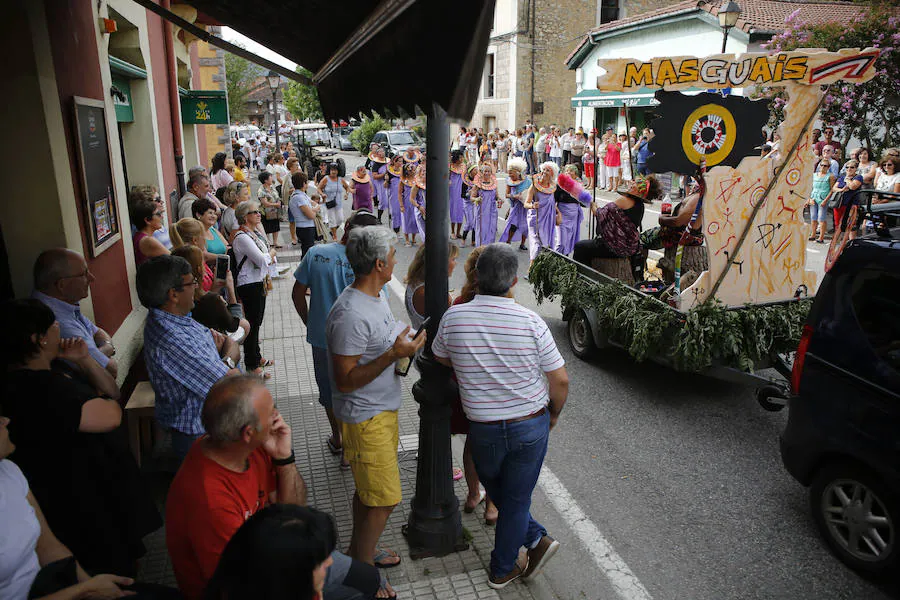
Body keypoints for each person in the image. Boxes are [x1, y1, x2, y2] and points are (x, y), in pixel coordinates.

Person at [431, 243, 568, 589]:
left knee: (502, 491)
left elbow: (441, 358)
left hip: (485, 429)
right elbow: (560, 380)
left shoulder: (455, 316)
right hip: (530, 424)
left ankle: (534, 543)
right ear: (514, 281)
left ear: (476, 277)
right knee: (515, 498)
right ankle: (505, 565)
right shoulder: (531, 321)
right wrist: (552, 414)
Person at [2, 299, 161, 577]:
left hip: (73, 495)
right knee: (112, 570)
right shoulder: (43, 388)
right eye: (53, 326)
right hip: (82, 500)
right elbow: (112, 412)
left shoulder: (50, 373)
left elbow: (111, 390)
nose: (59, 331)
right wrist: (97, 391)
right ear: (38, 339)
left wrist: (84, 359)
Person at [325, 226, 426, 569]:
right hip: (365, 418)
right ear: (381, 264)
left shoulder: (376, 295)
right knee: (385, 500)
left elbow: (380, 341)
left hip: (379, 412)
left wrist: (404, 340)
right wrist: (391, 354)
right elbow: (345, 380)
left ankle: (359, 552)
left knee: (369, 494)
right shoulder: (350, 313)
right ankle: (363, 573)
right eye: (394, 256)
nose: (398, 261)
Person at [0, 415, 181, 600]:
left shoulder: (8, 471)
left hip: (51, 587)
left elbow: (50, 547)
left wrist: (90, 586)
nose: (6, 420)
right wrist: (83, 591)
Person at [292, 210, 380, 471]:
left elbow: (297, 294)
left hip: (322, 337)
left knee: (329, 391)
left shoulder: (317, 254)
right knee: (355, 390)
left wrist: (310, 321)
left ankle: (339, 438)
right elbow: (377, 301)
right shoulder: (368, 261)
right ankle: (352, 446)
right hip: (359, 339)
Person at [138, 255, 240, 459]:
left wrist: (225, 356)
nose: (197, 286)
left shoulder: (178, 318)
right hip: (204, 436)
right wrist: (228, 359)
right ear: (173, 294)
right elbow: (231, 383)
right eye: (192, 282)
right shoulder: (171, 340)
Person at [30, 249, 119, 377]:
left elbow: (98, 332)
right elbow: (111, 370)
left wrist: (105, 348)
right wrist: (106, 350)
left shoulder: (61, 302)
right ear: (62, 285)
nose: (91, 278)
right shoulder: (56, 321)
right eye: (84, 274)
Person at [574, 175, 662, 266]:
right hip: (628, 246)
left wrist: (592, 204)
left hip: (615, 246)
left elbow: (600, 213)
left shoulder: (625, 200)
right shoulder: (640, 206)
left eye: (634, 183)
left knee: (579, 247)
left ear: (639, 190)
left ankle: (585, 277)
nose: (631, 183)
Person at [232, 201, 276, 376]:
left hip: (258, 281)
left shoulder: (254, 233)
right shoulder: (242, 237)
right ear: (245, 217)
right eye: (254, 212)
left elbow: (264, 254)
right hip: (249, 284)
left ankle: (257, 356)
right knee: (252, 323)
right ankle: (251, 363)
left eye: (258, 211)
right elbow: (262, 258)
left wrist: (269, 255)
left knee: (257, 322)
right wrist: (271, 254)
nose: (259, 214)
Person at [524, 162, 561, 264]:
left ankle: (542, 269)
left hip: (548, 219)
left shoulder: (553, 188)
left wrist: (558, 213)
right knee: (536, 244)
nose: (544, 172)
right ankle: (531, 269)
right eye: (543, 169)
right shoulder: (534, 186)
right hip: (535, 219)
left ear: (552, 174)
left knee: (546, 244)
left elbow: (553, 204)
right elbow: (526, 204)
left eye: (547, 170)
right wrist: (532, 205)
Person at [555, 164, 586, 256]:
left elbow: (584, 202)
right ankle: (556, 260)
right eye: (567, 171)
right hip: (562, 214)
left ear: (576, 175)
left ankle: (565, 261)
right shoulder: (559, 185)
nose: (568, 173)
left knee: (569, 240)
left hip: (573, 216)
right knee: (561, 242)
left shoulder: (579, 185)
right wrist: (557, 214)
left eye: (571, 171)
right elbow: (553, 201)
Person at [500, 157, 530, 250]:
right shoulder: (509, 181)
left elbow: (531, 194)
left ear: (518, 172)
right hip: (515, 206)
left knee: (525, 226)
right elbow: (507, 195)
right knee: (513, 224)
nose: (509, 174)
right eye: (509, 172)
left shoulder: (528, 182)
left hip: (525, 207)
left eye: (511, 173)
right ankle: (508, 241)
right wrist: (514, 196)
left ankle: (522, 243)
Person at [132, 198, 171, 267]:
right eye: (158, 214)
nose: (161, 216)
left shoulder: (139, 236)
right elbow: (176, 260)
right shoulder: (148, 241)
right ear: (147, 220)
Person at [832, 160, 864, 240]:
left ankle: (850, 242)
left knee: (851, 224)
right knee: (838, 223)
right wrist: (842, 189)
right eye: (847, 167)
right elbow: (834, 188)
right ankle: (837, 241)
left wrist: (848, 180)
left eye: (852, 167)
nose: (849, 169)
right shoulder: (842, 177)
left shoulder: (858, 177)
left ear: (856, 169)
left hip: (852, 204)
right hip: (840, 203)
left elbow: (853, 186)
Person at [318, 163, 351, 241]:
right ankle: (335, 237)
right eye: (332, 170)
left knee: (340, 219)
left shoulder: (341, 180)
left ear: (338, 171)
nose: (333, 172)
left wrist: (346, 194)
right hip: (329, 203)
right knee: (332, 220)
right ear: (329, 170)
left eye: (335, 170)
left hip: (338, 204)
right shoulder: (326, 179)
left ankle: (332, 231)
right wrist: (322, 194)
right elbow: (319, 188)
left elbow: (347, 188)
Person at [471, 162, 500, 246]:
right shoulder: (477, 185)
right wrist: (476, 199)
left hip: (492, 211)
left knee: (491, 230)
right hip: (481, 212)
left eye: (488, 171)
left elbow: (497, 197)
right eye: (485, 171)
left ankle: (489, 249)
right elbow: (472, 198)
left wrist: (499, 200)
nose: (487, 173)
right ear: (482, 172)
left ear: (491, 173)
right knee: (481, 230)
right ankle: (480, 249)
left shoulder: (494, 184)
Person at [808, 159, 835, 243]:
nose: (823, 167)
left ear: (828, 167)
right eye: (822, 165)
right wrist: (809, 198)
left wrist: (826, 200)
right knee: (813, 217)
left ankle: (821, 237)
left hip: (823, 198)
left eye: (825, 166)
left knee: (821, 218)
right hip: (814, 197)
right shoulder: (814, 175)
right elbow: (810, 187)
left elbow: (832, 189)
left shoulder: (830, 176)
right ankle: (813, 234)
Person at [257, 171, 283, 248]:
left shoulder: (272, 187)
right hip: (266, 212)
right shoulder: (261, 190)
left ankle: (275, 242)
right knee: (266, 228)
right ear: (265, 180)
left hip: (274, 212)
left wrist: (278, 201)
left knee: (275, 227)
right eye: (270, 177)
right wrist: (276, 204)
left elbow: (277, 196)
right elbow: (265, 203)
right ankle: (267, 242)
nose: (272, 179)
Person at [399, 163, 420, 246]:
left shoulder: (417, 180)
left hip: (415, 202)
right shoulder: (402, 181)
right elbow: (399, 193)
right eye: (410, 170)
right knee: (406, 220)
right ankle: (407, 239)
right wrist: (401, 205)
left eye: (413, 170)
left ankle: (414, 238)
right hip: (406, 203)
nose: (412, 171)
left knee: (414, 220)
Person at [384, 155, 404, 236]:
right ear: (394, 162)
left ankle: (405, 230)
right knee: (395, 212)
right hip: (394, 194)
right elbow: (385, 186)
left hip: (404, 194)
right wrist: (386, 180)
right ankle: (396, 230)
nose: (401, 163)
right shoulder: (389, 171)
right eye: (399, 161)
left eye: (402, 161)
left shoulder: (404, 170)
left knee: (403, 213)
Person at [369, 146, 389, 223]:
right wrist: (384, 174)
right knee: (383, 201)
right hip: (380, 184)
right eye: (379, 152)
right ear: (377, 154)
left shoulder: (388, 161)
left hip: (389, 183)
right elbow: (374, 176)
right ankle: (379, 218)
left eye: (382, 151)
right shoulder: (376, 164)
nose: (381, 153)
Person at [449, 150, 466, 239]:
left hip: (461, 190)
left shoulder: (464, 166)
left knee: (460, 211)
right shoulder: (450, 166)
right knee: (453, 210)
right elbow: (446, 177)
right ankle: (452, 231)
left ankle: (458, 232)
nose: (462, 158)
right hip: (452, 190)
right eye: (460, 157)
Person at [409, 164, 428, 242]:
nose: (425, 173)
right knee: (424, 231)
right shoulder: (417, 185)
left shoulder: (433, 183)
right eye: (423, 171)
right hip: (420, 209)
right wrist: (419, 207)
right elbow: (411, 199)